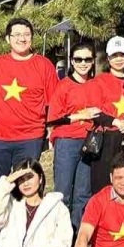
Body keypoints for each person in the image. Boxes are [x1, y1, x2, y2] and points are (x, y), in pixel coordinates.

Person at [0, 18, 59, 193]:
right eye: (16, 35)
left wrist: (51, 130)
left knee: (26, 188)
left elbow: (54, 103)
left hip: (30, 138)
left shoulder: (44, 66)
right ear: (8, 39)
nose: (22, 39)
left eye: (26, 34)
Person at [48, 42, 101, 228]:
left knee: (83, 193)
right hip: (67, 141)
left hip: (89, 142)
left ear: (93, 61)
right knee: (63, 192)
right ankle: (60, 233)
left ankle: (78, 233)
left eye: (87, 59)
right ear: (72, 61)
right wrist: (81, 115)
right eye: (78, 59)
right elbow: (53, 119)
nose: (83, 63)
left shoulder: (97, 85)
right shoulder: (64, 86)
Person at [86, 36, 124, 189]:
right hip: (106, 139)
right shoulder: (98, 82)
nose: (119, 59)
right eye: (114, 55)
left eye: (122, 55)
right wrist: (117, 122)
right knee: (103, 186)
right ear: (108, 57)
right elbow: (94, 112)